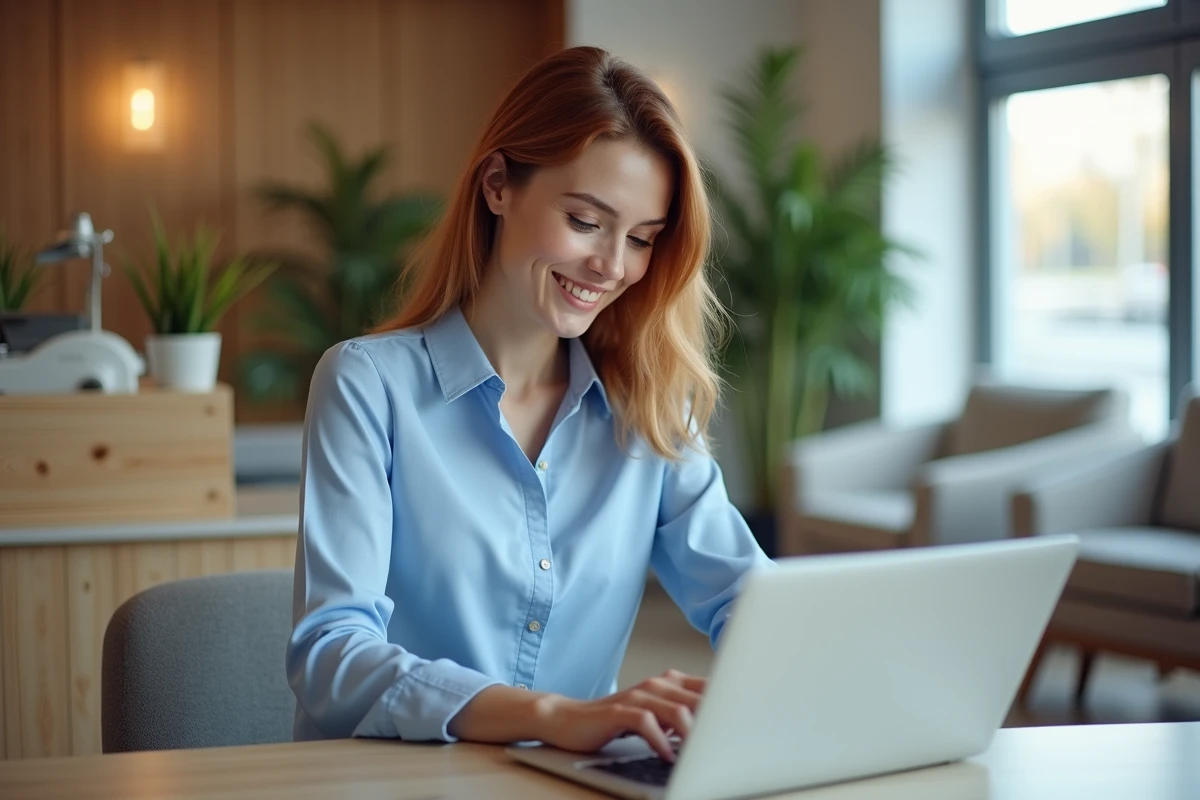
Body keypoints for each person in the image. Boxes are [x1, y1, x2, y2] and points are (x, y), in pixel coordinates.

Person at [287, 45, 772, 763]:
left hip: (572, 784)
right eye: (585, 221)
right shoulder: (368, 385)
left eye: (641, 239)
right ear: (497, 186)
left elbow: (749, 601)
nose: (612, 266)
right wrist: (554, 716)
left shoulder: (652, 409)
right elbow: (332, 656)